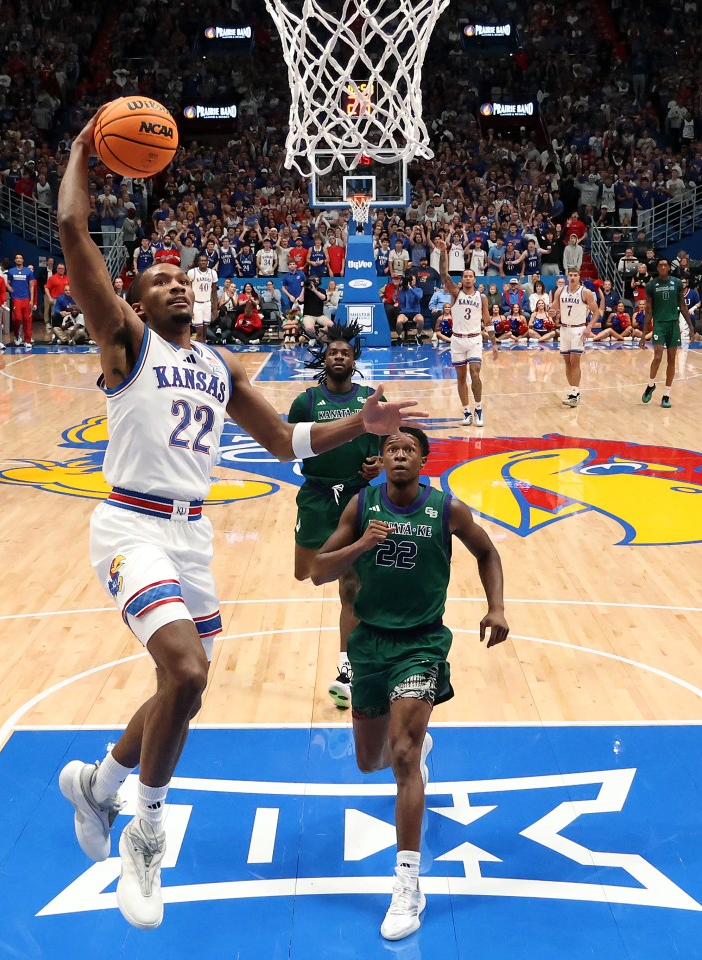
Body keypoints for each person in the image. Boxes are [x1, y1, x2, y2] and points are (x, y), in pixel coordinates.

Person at [56, 109, 423, 933]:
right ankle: (144, 837)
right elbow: (73, 226)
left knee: (179, 694)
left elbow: (288, 440)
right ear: (137, 303)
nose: (176, 282)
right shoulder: (125, 340)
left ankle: (99, 786)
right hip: (130, 527)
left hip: (192, 537)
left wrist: (357, 427)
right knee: (185, 673)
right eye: (158, 279)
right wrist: (83, 150)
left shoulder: (217, 365)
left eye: (184, 277)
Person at [310, 426, 508, 941]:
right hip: (369, 643)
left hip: (421, 643)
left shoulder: (447, 509)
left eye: (408, 450)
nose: (399, 456)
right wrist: (359, 544)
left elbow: (487, 552)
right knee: (368, 760)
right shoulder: (361, 505)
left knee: (401, 754)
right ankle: (412, 757)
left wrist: (497, 607)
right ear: (382, 457)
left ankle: (407, 885)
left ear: (423, 459)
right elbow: (316, 570)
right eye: (391, 449)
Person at [289, 321, 383, 707]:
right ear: (324, 360)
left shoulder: (368, 400)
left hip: (355, 497)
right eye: (333, 353)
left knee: (350, 587)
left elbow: (383, 446)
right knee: (306, 572)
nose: (339, 357)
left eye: (345, 352)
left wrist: (376, 467)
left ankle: (347, 668)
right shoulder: (306, 402)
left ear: (354, 358)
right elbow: (290, 446)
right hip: (316, 496)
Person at [436, 240, 492, 427]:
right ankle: (466, 411)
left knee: (475, 374)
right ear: (462, 280)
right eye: (465, 276)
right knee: (460, 377)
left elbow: (488, 320)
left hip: (475, 339)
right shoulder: (455, 293)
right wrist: (444, 252)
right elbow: (444, 274)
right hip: (458, 339)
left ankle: (478, 407)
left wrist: (494, 343)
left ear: (475, 280)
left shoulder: (481, 297)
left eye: (471, 276)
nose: (468, 278)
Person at [640, 257, 694, 408]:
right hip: (659, 324)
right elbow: (649, 310)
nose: (663, 267)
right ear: (657, 268)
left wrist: (690, 327)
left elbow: (682, 306)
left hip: (673, 325)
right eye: (660, 265)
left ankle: (666, 395)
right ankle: (651, 385)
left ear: (669, 268)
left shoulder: (676, 283)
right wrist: (644, 334)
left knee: (671, 359)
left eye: (665, 264)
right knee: (657, 356)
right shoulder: (651, 285)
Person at [554, 268, 600, 406]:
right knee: (567, 361)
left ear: (579, 277)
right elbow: (554, 308)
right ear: (567, 277)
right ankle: (574, 391)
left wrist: (589, 327)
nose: (573, 277)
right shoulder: (560, 291)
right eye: (570, 275)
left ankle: (575, 393)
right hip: (564, 329)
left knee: (575, 361)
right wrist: (551, 311)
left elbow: (597, 312)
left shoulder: (585, 292)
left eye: (575, 275)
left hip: (578, 329)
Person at [7, 253, 37, 348]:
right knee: (17, 319)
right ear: (15, 260)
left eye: (20, 258)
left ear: (23, 260)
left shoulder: (28, 272)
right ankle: (17, 336)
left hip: (26, 298)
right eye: (17, 258)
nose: (19, 259)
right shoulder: (11, 271)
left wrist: (31, 300)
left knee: (27, 320)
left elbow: (31, 286)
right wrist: (9, 288)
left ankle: (27, 340)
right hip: (16, 299)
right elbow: (7, 283)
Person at [187, 254, 218, 342]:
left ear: (207, 262)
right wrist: (189, 306)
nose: (203, 262)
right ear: (198, 262)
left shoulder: (212, 273)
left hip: (207, 303)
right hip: (196, 303)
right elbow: (188, 290)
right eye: (201, 260)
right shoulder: (192, 272)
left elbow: (214, 292)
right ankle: (197, 350)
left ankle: (203, 349)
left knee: (204, 331)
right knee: (199, 331)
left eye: (205, 260)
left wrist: (215, 308)